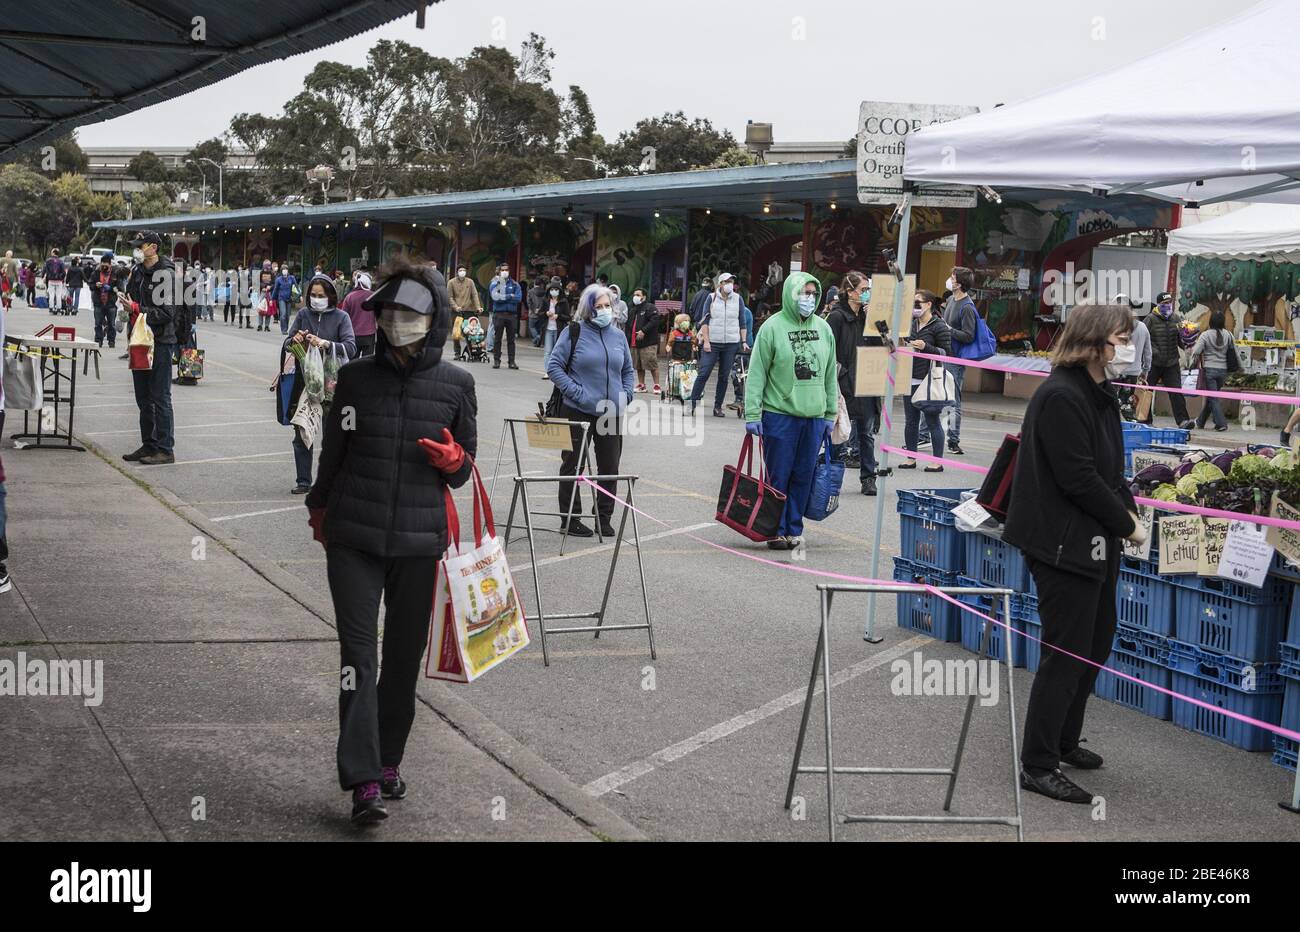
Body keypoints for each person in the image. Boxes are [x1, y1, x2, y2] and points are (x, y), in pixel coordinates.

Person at [305, 255, 476, 825]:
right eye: (389, 312)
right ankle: (362, 783)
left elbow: (463, 468)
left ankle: (388, 761)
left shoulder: (457, 384)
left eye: (408, 313)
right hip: (352, 536)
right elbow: (333, 452)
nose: (395, 322)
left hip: (417, 543)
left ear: (432, 320)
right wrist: (319, 507)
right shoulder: (354, 378)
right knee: (359, 655)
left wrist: (455, 461)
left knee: (401, 662)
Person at [1003, 303, 1146, 804]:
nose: (1126, 347)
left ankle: (1065, 740)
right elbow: (1079, 478)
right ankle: (1038, 763)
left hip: (1094, 541)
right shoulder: (1062, 395)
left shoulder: (1099, 393)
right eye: (1120, 338)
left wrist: (1130, 516)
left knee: (1096, 642)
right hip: (1061, 544)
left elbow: (1109, 473)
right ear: (1093, 341)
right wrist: (1127, 523)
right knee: (1065, 654)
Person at [743, 272, 838, 551]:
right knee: (778, 475)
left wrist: (830, 413)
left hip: (814, 418)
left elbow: (830, 373)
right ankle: (775, 529)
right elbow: (757, 373)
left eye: (812, 293)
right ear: (791, 293)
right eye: (803, 293)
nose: (808, 298)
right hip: (780, 415)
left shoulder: (824, 328)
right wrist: (752, 413)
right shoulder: (772, 328)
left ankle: (793, 528)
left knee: (803, 476)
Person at [546, 284, 634, 539]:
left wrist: (626, 394)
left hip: (611, 411)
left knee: (609, 466)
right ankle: (570, 519)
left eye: (608, 306)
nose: (605, 310)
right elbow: (554, 366)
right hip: (578, 410)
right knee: (573, 465)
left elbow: (627, 370)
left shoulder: (618, 336)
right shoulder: (573, 332)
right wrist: (577, 393)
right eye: (599, 307)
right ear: (588, 309)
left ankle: (603, 518)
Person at [284, 275, 357, 494]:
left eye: (321, 296)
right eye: (313, 295)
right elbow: (288, 343)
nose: (316, 299)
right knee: (302, 432)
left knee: (333, 435)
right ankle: (303, 481)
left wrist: (325, 343)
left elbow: (350, 348)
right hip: (305, 384)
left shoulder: (342, 317)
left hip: (333, 386)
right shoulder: (303, 315)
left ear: (331, 296)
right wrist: (295, 340)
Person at [121, 231, 178, 465]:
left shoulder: (166, 274)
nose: (136, 249)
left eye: (140, 245)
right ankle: (149, 444)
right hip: (139, 340)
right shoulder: (137, 272)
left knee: (160, 397)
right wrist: (128, 307)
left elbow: (167, 313)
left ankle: (165, 449)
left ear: (153, 247)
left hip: (161, 342)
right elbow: (135, 302)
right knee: (143, 397)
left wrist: (136, 308)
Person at [827, 272, 881, 495]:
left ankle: (868, 478)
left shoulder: (871, 316)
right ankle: (830, 476)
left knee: (866, 434)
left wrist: (873, 320)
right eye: (863, 290)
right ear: (850, 292)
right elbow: (829, 351)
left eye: (869, 290)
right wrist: (838, 377)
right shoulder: (837, 316)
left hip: (867, 382)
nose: (867, 294)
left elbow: (885, 344)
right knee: (839, 432)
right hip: (844, 382)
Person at [898, 289, 952, 472]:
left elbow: (947, 353)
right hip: (909, 376)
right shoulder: (911, 324)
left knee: (932, 420)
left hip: (929, 380)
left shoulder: (939, 326)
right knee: (910, 421)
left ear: (929, 304)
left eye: (918, 304)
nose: (914, 308)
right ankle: (911, 457)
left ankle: (937, 461)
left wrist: (926, 347)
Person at [689, 271, 748, 417]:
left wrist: (744, 341)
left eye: (731, 282)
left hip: (731, 343)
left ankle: (717, 407)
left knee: (723, 376)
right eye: (727, 282)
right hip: (713, 342)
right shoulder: (711, 298)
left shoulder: (738, 299)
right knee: (704, 373)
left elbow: (742, 321)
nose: (730, 284)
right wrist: (707, 341)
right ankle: (692, 403)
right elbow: (705, 321)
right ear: (720, 284)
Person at [940, 266, 979, 455]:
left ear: (960, 283)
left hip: (955, 359)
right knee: (936, 397)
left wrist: (949, 330)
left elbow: (969, 336)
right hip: (942, 355)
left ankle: (953, 441)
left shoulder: (967, 307)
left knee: (953, 402)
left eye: (953, 277)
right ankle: (924, 435)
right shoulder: (950, 300)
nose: (950, 279)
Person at [1143, 291, 1194, 429]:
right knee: (1146, 393)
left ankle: (1183, 421)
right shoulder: (1150, 319)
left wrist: (1188, 341)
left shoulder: (1176, 319)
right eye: (1164, 303)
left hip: (1171, 362)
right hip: (1153, 363)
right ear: (1159, 304)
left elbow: (1181, 341)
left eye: (1169, 303)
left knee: (1176, 392)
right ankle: (1145, 421)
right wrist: (1153, 352)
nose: (1168, 306)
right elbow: (1144, 340)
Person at [1189, 309, 1236, 432]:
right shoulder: (1229, 335)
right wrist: (1240, 367)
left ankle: (1221, 423)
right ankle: (1200, 421)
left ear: (1211, 321)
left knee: (1213, 398)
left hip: (1210, 370)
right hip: (1223, 371)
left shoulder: (1205, 335)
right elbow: (1234, 352)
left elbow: (1196, 351)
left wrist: (1189, 363)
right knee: (1212, 397)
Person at [1114, 298, 1151, 419]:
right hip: (1135, 372)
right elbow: (1148, 353)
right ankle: (1131, 426)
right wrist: (1145, 370)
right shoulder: (1143, 327)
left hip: (1116, 373)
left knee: (1111, 405)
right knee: (1130, 405)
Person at [488, 262, 523, 369]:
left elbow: (518, 298)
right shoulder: (495, 283)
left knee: (511, 340)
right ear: (499, 271)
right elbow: (495, 297)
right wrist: (509, 296)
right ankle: (496, 361)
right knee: (497, 338)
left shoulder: (515, 284)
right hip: (499, 314)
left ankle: (511, 362)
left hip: (511, 315)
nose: (504, 272)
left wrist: (504, 297)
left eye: (506, 270)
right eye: (502, 270)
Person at [630, 287, 661, 393]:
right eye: (634, 295)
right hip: (635, 342)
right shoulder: (633, 309)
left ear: (644, 297)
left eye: (638, 295)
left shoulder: (650, 307)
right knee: (638, 365)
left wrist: (643, 331)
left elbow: (655, 320)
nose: (635, 297)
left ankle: (657, 385)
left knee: (652, 364)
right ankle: (641, 385)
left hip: (648, 343)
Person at [448, 263, 482, 360]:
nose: (462, 272)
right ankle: (457, 353)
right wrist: (455, 307)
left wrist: (478, 307)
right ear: (457, 272)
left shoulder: (470, 282)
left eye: (464, 270)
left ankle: (474, 352)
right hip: (456, 312)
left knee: (472, 332)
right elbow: (449, 297)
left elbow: (475, 295)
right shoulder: (451, 282)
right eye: (460, 271)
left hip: (469, 311)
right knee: (456, 333)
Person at [90, 253, 124, 348]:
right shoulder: (95, 273)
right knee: (98, 324)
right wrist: (95, 286)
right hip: (98, 302)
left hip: (111, 303)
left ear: (110, 264)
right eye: (102, 263)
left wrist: (112, 288)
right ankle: (98, 340)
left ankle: (111, 341)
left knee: (111, 324)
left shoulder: (115, 274)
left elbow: (120, 288)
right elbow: (91, 285)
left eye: (106, 264)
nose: (104, 265)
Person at [539, 276, 570, 379]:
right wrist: (546, 313)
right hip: (548, 329)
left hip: (559, 329)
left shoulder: (563, 301)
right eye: (552, 289)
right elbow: (540, 313)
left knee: (557, 351)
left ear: (559, 291)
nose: (554, 291)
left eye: (556, 290)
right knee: (547, 351)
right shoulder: (545, 300)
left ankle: (557, 371)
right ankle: (547, 371)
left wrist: (558, 316)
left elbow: (568, 316)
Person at [340, 271, 376, 357]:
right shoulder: (373, 296)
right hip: (369, 335)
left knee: (352, 361)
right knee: (367, 361)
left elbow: (344, 317)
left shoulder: (349, 297)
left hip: (353, 335)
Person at [272, 264, 298, 335]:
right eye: (283, 269)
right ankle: (283, 329)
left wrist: (300, 295)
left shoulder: (291, 278)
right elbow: (275, 290)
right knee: (283, 314)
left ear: (288, 270)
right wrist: (272, 299)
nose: (285, 271)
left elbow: (296, 287)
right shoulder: (278, 279)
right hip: (281, 299)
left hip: (289, 299)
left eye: (286, 269)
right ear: (281, 271)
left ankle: (286, 328)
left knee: (287, 315)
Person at [527, 276, 548, 347]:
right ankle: (537, 343)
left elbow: (529, 302)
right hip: (541, 313)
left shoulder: (530, 291)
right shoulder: (544, 292)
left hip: (532, 314)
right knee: (539, 328)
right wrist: (541, 310)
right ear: (541, 284)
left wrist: (534, 310)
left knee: (532, 327)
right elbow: (545, 303)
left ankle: (537, 337)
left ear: (534, 283)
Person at [43, 248, 66, 313]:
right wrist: (61, 278)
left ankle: (51, 307)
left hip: (51, 280)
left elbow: (45, 270)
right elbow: (64, 272)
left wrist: (45, 277)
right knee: (58, 295)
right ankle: (58, 308)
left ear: (53, 253)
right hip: (59, 281)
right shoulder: (61, 261)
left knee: (51, 294)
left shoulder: (48, 261)